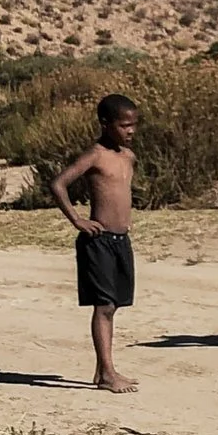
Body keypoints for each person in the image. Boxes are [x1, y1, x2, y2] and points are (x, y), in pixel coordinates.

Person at [48, 93, 142, 393]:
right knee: (104, 306)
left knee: (113, 306)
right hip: (98, 241)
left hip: (120, 240)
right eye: (124, 125)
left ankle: (104, 371)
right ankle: (108, 373)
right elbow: (58, 184)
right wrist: (77, 220)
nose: (130, 131)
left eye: (134, 125)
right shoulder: (95, 155)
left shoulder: (128, 157)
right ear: (105, 124)